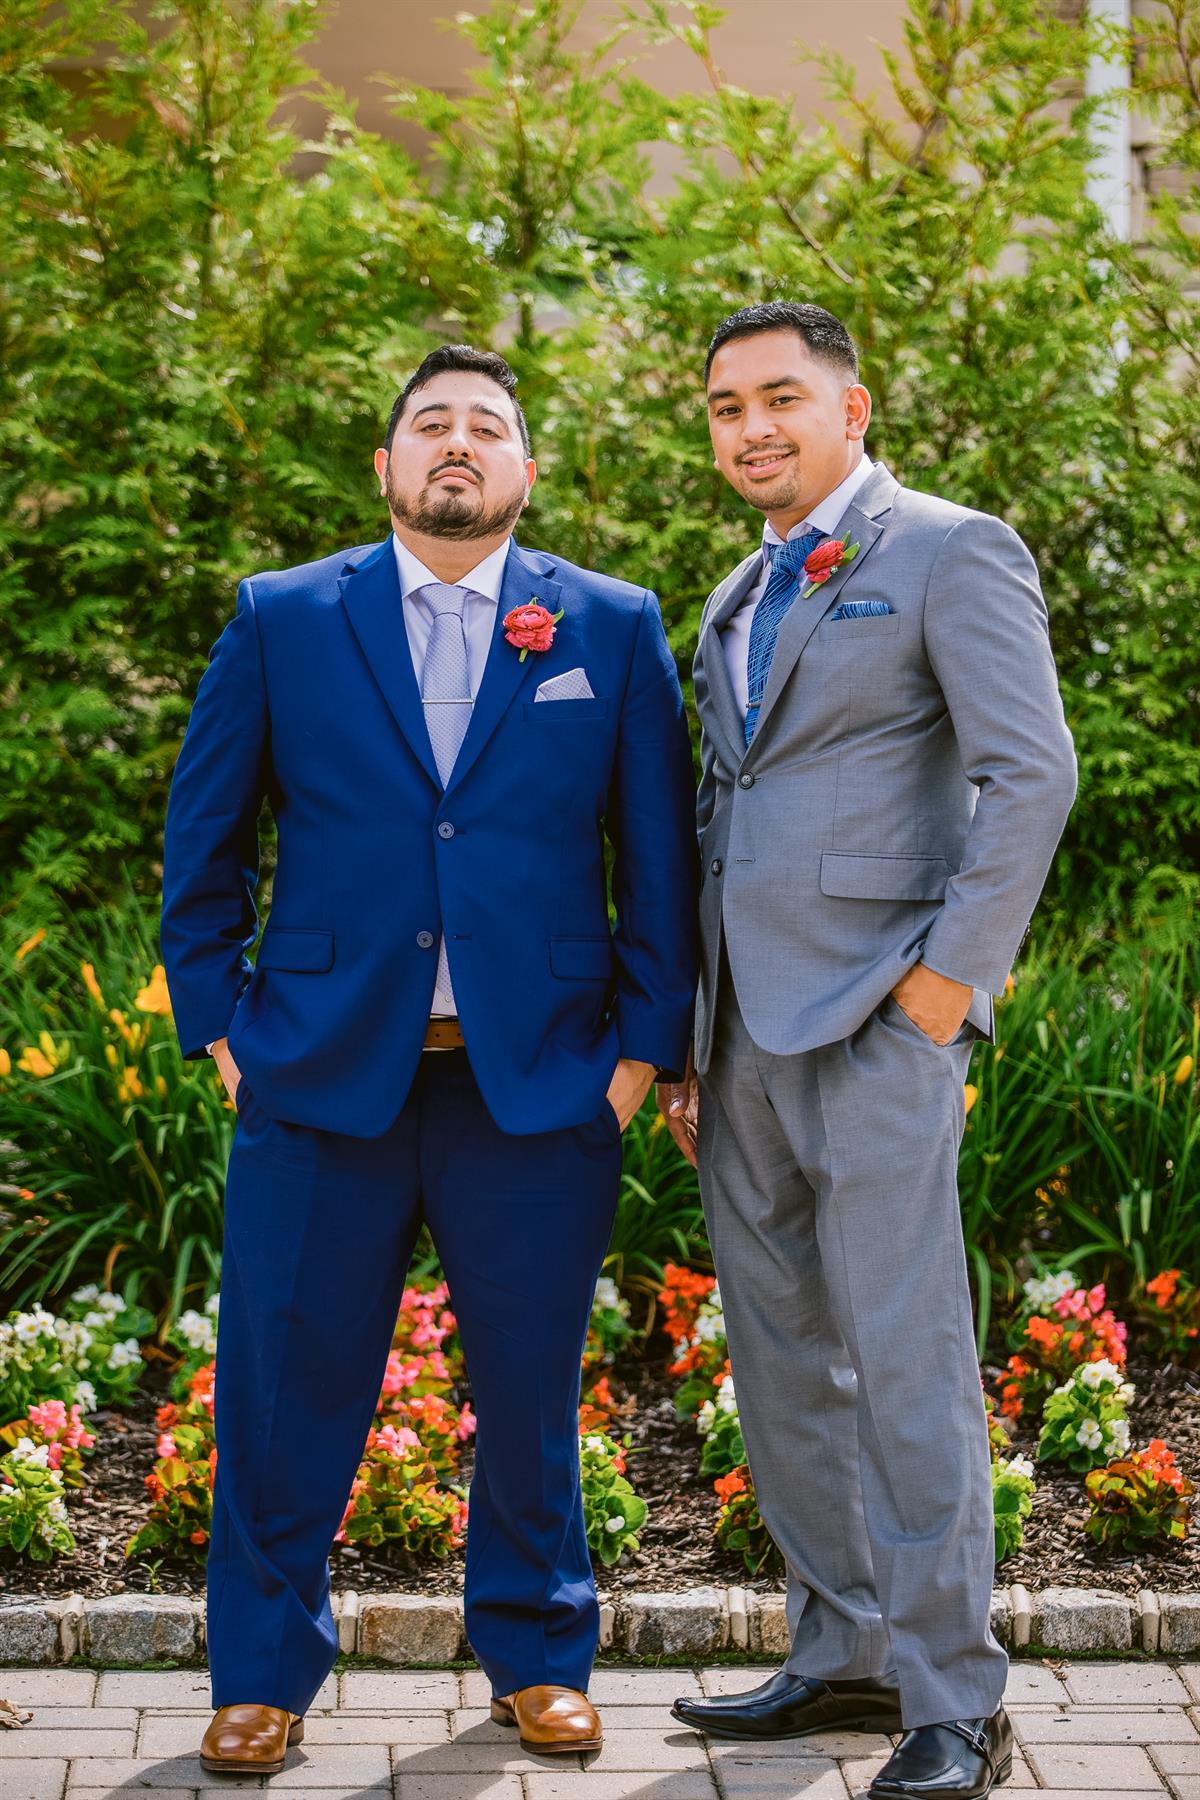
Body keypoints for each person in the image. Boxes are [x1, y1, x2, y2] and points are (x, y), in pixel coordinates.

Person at [160, 344, 698, 1776]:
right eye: (431, 425)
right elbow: (204, 840)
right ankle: (261, 1675)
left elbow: (659, 857)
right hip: (319, 1073)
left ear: (527, 467)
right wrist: (221, 1027)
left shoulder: (610, 625)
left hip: (537, 1077)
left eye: (487, 426)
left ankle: (540, 1655)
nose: (459, 443)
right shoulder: (282, 617)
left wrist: (641, 1055)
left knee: (529, 1387)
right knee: (281, 1386)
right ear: (387, 465)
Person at [660, 302, 1076, 1800]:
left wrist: (945, 990)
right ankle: (843, 1653)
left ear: (854, 407)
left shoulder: (951, 550)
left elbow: (1032, 773)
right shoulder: (736, 592)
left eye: (781, 397)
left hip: (882, 1023)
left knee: (906, 1361)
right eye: (726, 407)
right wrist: (690, 1037)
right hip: (740, 1039)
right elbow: (722, 817)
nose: (752, 428)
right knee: (781, 1361)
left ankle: (956, 1698)